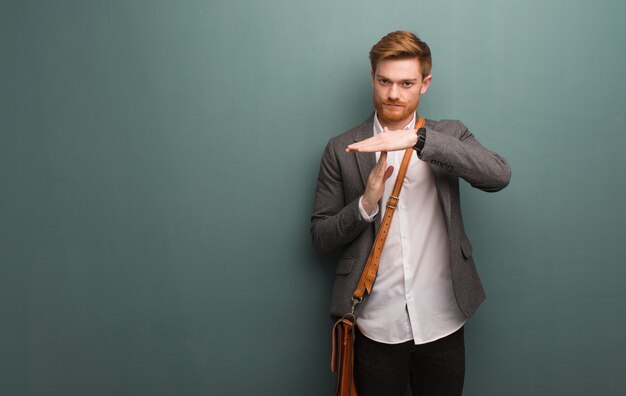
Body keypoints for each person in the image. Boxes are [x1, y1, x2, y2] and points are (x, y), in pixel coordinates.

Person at [310, 31, 511, 396]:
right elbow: (320, 236)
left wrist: (419, 140)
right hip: (375, 322)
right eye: (385, 81)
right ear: (372, 78)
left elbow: (499, 175)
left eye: (407, 83)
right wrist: (365, 205)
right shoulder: (341, 149)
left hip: (443, 320)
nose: (393, 94)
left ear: (425, 84)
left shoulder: (449, 135)